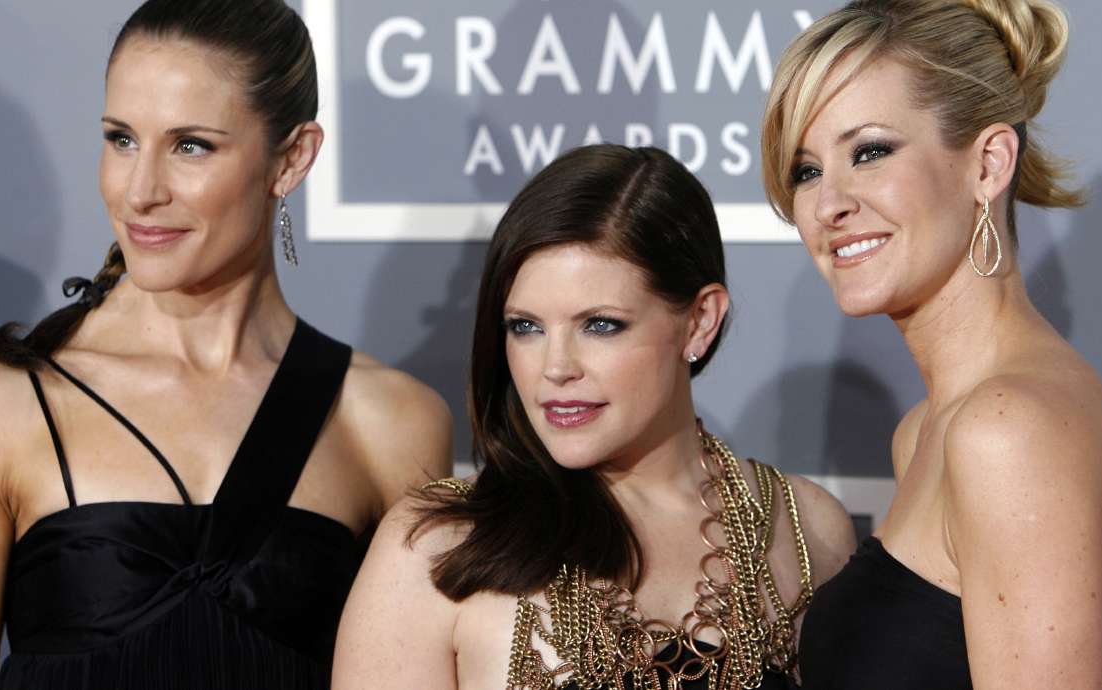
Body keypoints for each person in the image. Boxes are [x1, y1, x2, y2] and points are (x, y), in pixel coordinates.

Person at [0, 1, 452, 688]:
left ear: (291, 159)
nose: (139, 191)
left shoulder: (391, 424)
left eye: (190, 145)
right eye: (121, 139)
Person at [332, 144, 856, 689]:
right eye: (525, 327)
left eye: (600, 325)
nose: (554, 368)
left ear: (700, 321)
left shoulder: (805, 527)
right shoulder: (439, 547)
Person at [759, 1, 1102, 688]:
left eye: (870, 151)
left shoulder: (1007, 430)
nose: (827, 205)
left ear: (989, 164)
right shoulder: (932, 430)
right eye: (807, 170)